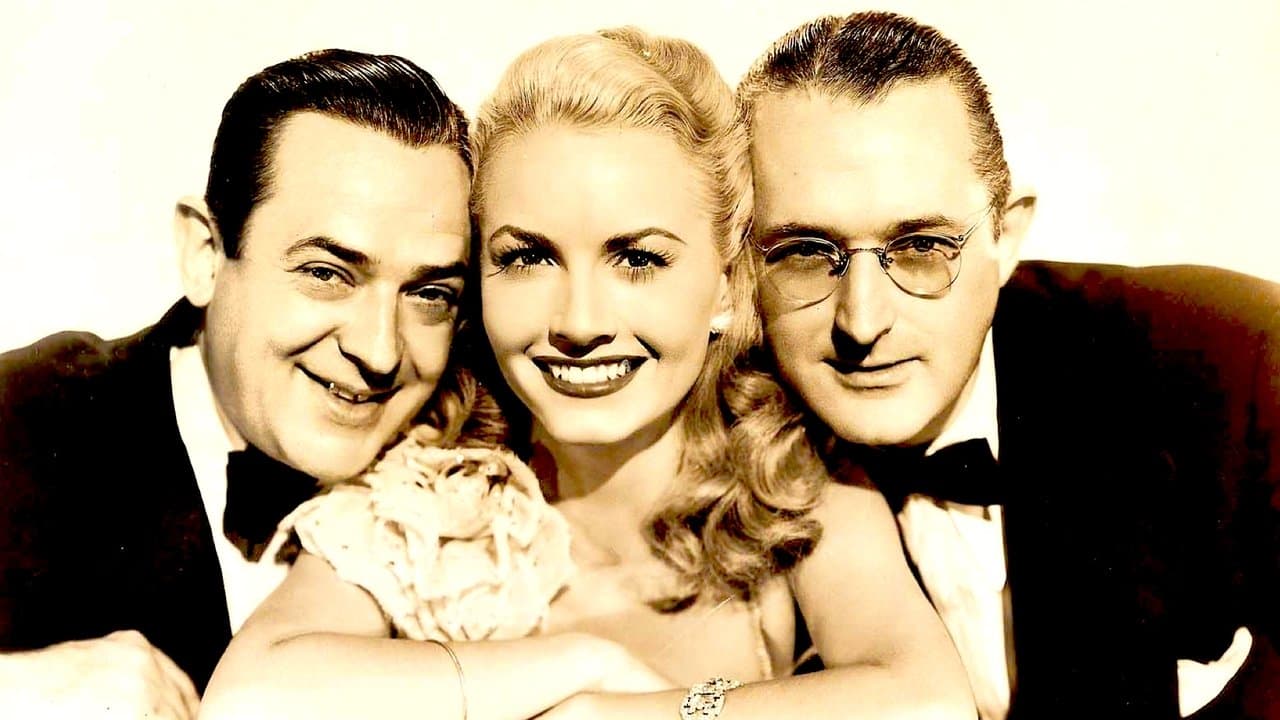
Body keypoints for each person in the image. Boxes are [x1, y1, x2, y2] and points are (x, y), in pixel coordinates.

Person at [200, 27, 973, 720]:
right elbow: (251, 698)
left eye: (637, 259)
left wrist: (635, 713)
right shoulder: (434, 497)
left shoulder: (789, 478)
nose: (578, 322)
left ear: (723, 286)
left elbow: (929, 703)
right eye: (527, 257)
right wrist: (582, 664)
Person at [737, 10, 1280, 719]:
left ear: (1006, 236)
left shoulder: (1236, 364)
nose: (862, 322)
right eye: (806, 254)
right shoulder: (689, 449)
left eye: (921, 248)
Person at [0, 49, 475, 718]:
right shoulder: (22, 417)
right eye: (326, 273)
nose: (378, 351)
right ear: (204, 255)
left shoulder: (484, 482)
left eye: (428, 294)